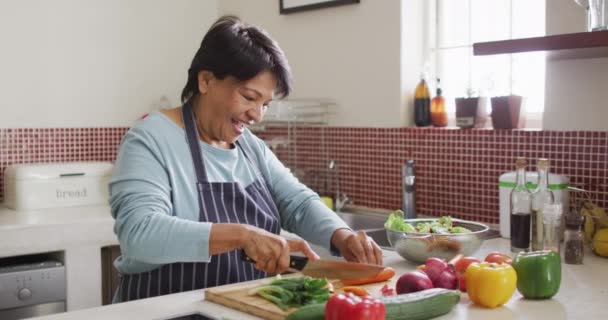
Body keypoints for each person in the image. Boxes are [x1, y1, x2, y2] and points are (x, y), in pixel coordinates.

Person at [110, 15, 383, 302]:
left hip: (240, 309)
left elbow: (297, 202)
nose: (257, 115)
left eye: (265, 104)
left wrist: (342, 235)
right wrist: (242, 235)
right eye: (249, 97)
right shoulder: (150, 138)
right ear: (205, 80)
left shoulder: (250, 148)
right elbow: (139, 233)